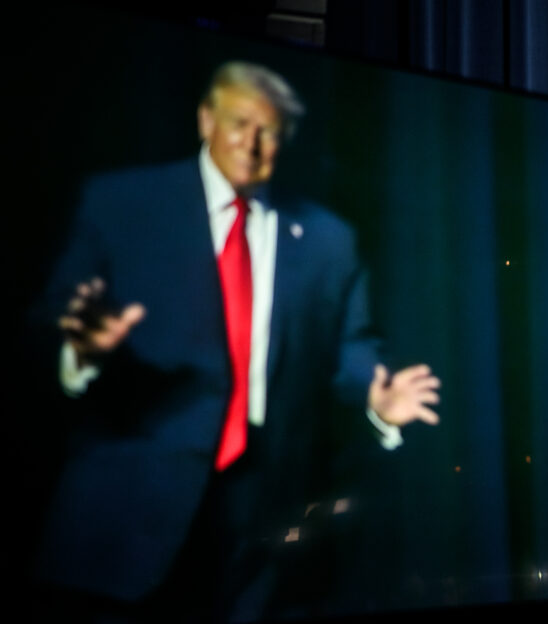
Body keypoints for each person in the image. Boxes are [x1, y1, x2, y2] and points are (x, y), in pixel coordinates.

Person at [34, 61, 440, 621]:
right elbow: (48, 319)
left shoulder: (328, 240)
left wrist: (378, 399)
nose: (250, 143)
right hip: (131, 500)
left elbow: (353, 347)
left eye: (268, 130)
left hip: (264, 516)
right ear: (206, 119)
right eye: (238, 122)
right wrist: (81, 352)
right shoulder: (123, 204)